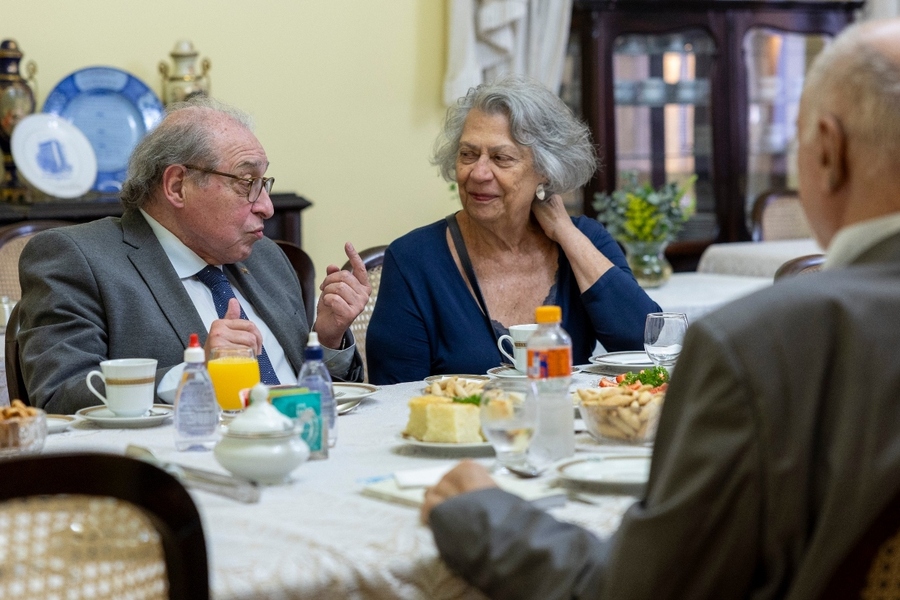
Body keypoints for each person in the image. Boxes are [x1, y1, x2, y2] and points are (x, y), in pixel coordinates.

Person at [420, 18, 900, 599]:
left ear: (828, 149)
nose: (479, 172)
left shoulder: (757, 348)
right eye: (470, 155)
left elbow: (634, 590)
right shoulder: (420, 256)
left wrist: (479, 514)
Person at [18, 97, 371, 414]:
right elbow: (59, 396)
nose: (266, 207)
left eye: (264, 183)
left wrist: (327, 340)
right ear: (176, 186)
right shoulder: (78, 258)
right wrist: (194, 373)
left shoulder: (266, 259)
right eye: (247, 182)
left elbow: (318, 396)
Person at [366, 75, 661, 383]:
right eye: (468, 154)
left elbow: (647, 351)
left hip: (565, 425)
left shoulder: (585, 241)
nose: (478, 173)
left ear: (545, 170)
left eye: (501, 158)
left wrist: (566, 233)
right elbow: (394, 396)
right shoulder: (413, 260)